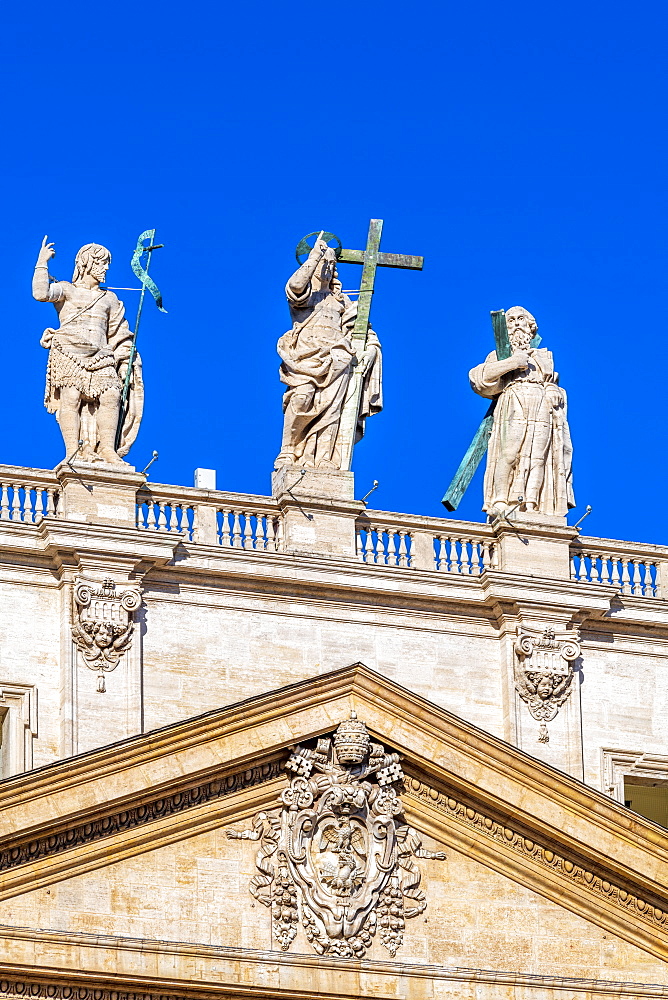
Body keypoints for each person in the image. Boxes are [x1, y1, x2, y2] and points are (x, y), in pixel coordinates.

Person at [33, 236, 143, 466]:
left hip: (102, 355)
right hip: (69, 350)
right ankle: (73, 450)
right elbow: (40, 293)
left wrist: (125, 360)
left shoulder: (110, 299)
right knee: (71, 397)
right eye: (101, 263)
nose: (106, 269)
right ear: (87, 263)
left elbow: (119, 333)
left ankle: (106, 449)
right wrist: (42, 262)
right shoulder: (67, 290)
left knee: (112, 396)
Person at [275, 237, 381, 470]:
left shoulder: (341, 301)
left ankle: (324, 456)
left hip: (338, 358)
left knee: (333, 409)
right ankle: (289, 450)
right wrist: (314, 256)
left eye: (332, 264)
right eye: (324, 263)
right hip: (305, 358)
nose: (327, 267)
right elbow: (294, 287)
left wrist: (372, 349)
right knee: (301, 398)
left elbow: (362, 329)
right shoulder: (305, 296)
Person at [469, 306, 574, 516]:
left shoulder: (543, 357)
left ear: (531, 327)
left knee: (539, 456)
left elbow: (552, 382)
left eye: (521, 319)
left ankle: (532, 504)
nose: (516, 323)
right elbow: (480, 379)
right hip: (514, 398)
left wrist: (552, 389)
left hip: (542, 404)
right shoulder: (499, 355)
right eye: (511, 320)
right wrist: (512, 363)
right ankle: (500, 499)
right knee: (509, 452)